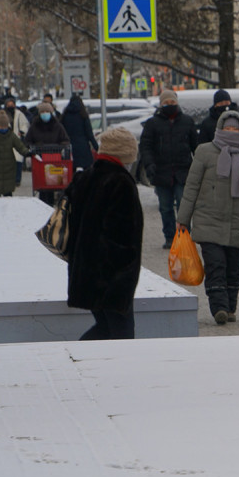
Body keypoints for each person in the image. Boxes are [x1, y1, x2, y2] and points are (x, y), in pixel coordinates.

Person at [178, 110, 239, 325]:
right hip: (208, 219)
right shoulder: (204, 151)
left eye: (235, 128)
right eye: (228, 128)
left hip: (238, 221)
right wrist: (183, 219)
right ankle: (219, 309)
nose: (231, 131)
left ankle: (231, 307)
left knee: (233, 269)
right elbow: (192, 186)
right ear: (220, 128)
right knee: (215, 266)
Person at [66, 127, 144, 340]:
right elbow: (123, 239)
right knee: (122, 335)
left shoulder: (84, 178)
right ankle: (78, 361)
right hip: (112, 280)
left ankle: (78, 360)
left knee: (105, 329)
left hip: (85, 274)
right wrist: (124, 280)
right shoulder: (121, 183)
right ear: (125, 155)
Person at [139, 89, 198, 248]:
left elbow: (196, 146)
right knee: (165, 208)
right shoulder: (153, 123)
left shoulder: (187, 121)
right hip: (161, 173)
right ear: (161, 104)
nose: (169, 105)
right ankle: (170, 237)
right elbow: (146, 147)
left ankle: (185, 236)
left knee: (183, 207)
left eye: (172, 102)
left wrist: (198, 167)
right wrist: (149, 165)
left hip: (182, 172)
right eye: (166, 103)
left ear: (177, 103)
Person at [25, 102, 72, 205]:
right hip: (40, 160)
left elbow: (66, 140)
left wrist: (58, 146)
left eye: (47, 112)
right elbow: (27, 141)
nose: (45, 114)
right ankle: (43, 204)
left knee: (53, 183)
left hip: (55, 159)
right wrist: (35, 147)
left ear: (51, 113)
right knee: (42, 185)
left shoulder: (58, 126)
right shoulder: (34, 126)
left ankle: (53, 203)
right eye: (42, 112)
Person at [197, 89, 239, 155]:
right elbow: (202, 146)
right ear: (215, 105)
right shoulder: (207, 123)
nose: (224, 105)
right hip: (216, 160)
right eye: (221, 103)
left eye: (227, 103)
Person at [61, 95, 99, 171]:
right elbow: (89, 134)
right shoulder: (83, 115)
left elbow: (61, 132)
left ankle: (74, 182)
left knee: (70, 170)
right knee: (87, 169)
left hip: (69, 147)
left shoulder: (64, 115)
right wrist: (97, 148)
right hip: (83, 147)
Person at [3, 95, 30, 186]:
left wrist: (22, 131)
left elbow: (25, 124)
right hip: (5, 140)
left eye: (12, 104)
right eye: (8, 104)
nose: (10, 106)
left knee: (18, 161)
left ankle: (17, 180)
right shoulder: (2, 114)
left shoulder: (19, 114)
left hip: (17, 140)